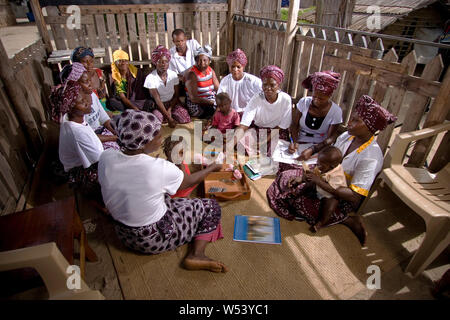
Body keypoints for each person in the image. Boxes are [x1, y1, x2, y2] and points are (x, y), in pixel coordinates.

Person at [98, 110, 228, 273]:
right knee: (211, 207)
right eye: (157, 136)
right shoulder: (157, 168)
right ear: (143, 143)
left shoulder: (106, 156)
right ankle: (197, 254)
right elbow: (188, 182)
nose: (160, 139)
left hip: (123, 234)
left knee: (159, 194)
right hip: (152, 238)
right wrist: (212, 167)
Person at [267, 95, 397, 246]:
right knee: (286, 176)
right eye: (352, 118)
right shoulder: (347, 136)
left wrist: (319, 183)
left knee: (300, 204)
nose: (349, 123)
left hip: (340, 196)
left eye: (356, 121)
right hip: (324, 178)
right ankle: (327, 208)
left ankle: (347, 219)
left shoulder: (371, 158)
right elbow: (327, 163)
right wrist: (304, 177)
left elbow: (354, 197)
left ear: (370, 128)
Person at [51, 80, 104, 197]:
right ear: (70, 108)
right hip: (79, 172)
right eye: (81, 101)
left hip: (86, 162)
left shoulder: (74, 118)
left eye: (85, 96)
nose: (88, 102)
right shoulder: (77, 133)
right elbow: (100, 160)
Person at [59, 63, 119, 150]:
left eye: (89, 80)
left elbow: (104, 118)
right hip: (93, 140)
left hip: (101, 133)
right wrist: (114, 138)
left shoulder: (92, 95)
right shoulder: (77, 109)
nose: (91, 84)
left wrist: (115, 132)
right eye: (86, 82)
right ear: (75, 86)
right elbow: (89, 137)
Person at [289, 146, 347, 232]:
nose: (318, 164)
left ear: (331, 166)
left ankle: (321, 223)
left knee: (330, 206)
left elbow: (333, 190)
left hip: (331, 194)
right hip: (320, 187)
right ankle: (299, 193)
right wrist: (306, 177)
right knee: (309, 183)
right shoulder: (322, 165)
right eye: (318, 162)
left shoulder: (337, 175)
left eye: (321, 164)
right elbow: (315, 173)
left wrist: (317, 180)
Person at [237, 65, 292, 155]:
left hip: (276, 132)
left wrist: (263, 142)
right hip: (259, 130)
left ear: (278, 85)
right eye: (265, 84)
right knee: (241, 144)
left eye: (272, 85)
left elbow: (282, 126)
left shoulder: (285, 99)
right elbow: (245, 124)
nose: (268, 88)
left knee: (274, 154)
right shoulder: (256, 98)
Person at [289, 70, 342, 159]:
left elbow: (331, 138)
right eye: (314, 96)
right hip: (300, 142)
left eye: (321, 98)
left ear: (330, 96)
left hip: (320, 147)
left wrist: (312, 150)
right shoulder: (304, 102)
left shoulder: (336, 111)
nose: (316, 100)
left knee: (309, 170)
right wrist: (294, 142)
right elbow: (294, 125)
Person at [143, 45, 191, 128]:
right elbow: (157, 99)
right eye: (160, 62)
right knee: (157, 121)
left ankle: (169, 115)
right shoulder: (150, 78)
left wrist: (170, 109)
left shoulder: (173, 75)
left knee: (185, 118)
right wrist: (169, 118)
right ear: (155, 63)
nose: (164, 64)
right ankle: (167, 117)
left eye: (166, 61)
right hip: (158, 105)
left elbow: (176, 96)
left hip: (172, 103)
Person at [217, 49, 262, 118]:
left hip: (249, 113)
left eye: (238, 67)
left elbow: (263, 97)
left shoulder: (253, 81)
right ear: (229, 67)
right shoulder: (225, 81)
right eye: (232, 66)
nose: (235, 70)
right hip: (230, 113)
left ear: (243, 67)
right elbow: (220, 100)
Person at [185, 45, 219, 118]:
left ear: (209, 61)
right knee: (214, 113)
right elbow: (193, 98)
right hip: (197, 105)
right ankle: (202, 126)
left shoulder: (211, 71)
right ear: (195, 61)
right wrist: (212, 102)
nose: (202, 63)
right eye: (199, 60)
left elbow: (218, 89)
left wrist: (219, 100)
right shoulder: (192, 74)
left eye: (204, 60)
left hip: (210, 101)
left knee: (224, 109)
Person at [71, 47, 109, 113]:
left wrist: (102, 87)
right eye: (85, 62)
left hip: (101, 106)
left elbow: (102, 97)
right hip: (86, 111)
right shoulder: (75, 80)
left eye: (91, 61)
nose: (89, 65)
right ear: (77, 64)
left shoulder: (98, 73)